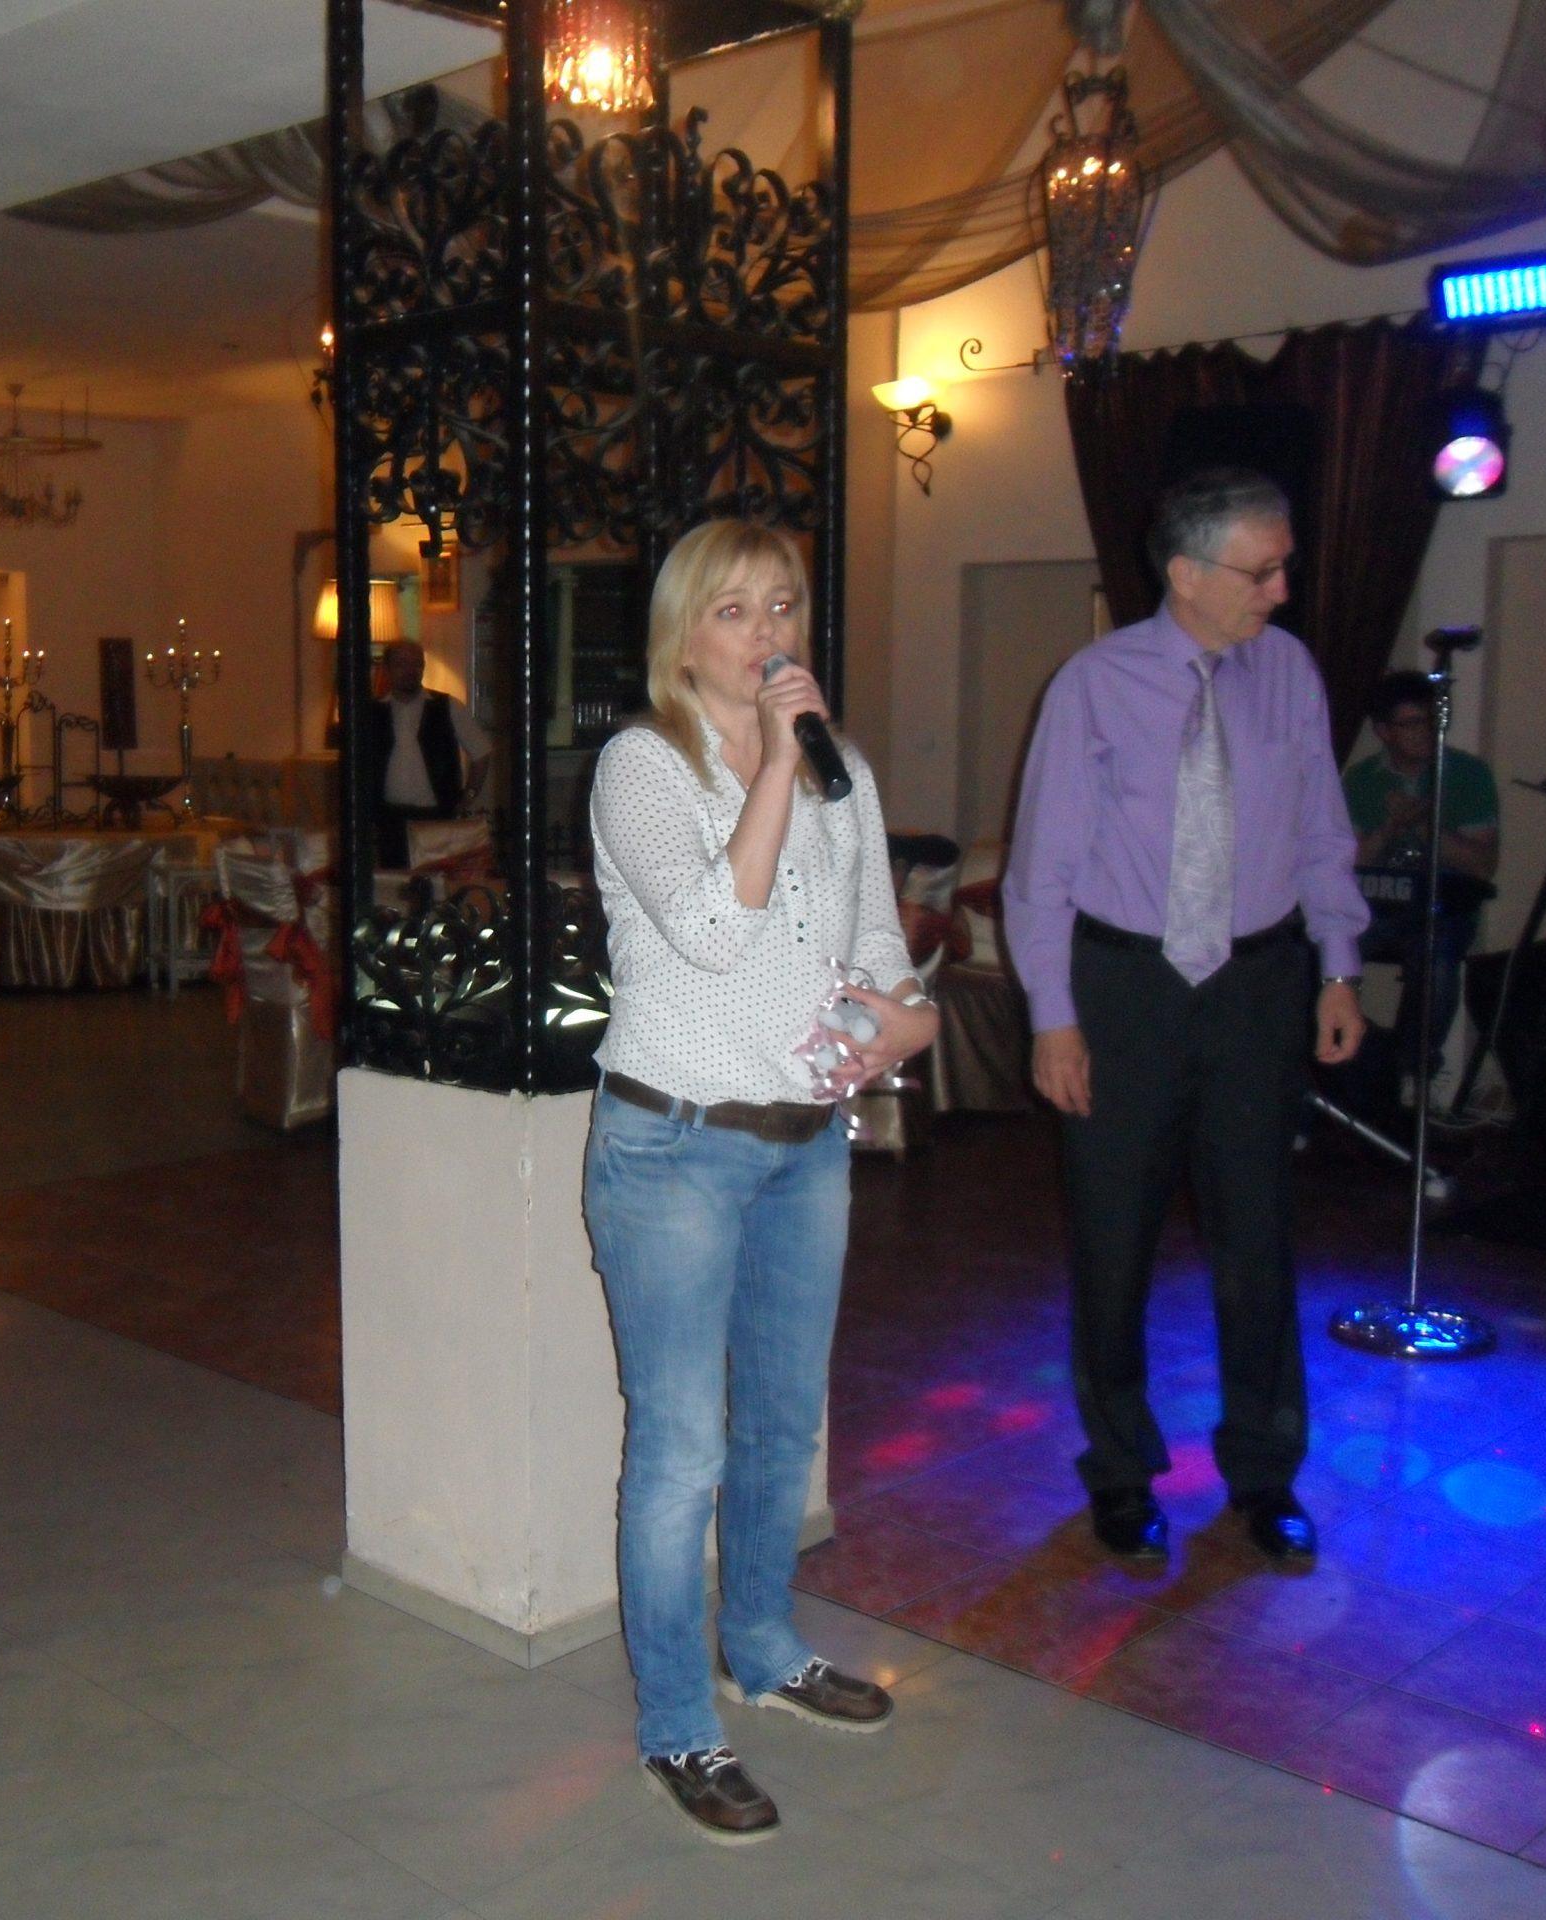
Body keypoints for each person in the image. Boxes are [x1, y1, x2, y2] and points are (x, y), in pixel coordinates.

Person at [584, 518, 937, 1845]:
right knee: (682, 1449)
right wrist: (780, 764)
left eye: (781, 605)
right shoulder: (642, 764)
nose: (766, 633)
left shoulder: (844, 773)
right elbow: (714, 935)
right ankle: (678, 1723)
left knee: (785, 1424)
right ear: (683, 636)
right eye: (733, 611)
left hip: (803, 1146)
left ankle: (765, 1647)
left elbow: (878, 942)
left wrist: (907, 1022)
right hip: (672, 1147)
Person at [1003, 468, 1368, 1571]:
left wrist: (1338, 967)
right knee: (1112, 1239)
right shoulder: (1094, 685)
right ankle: (1121, 1469)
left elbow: (1322, 833)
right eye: (1262, 571)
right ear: (1187, 574)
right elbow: (1041, 870)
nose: (1281, 590)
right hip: (1124, 991)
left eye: (1284, 567)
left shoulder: (1289, 674)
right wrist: (1053, 1018)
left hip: (1257, 986)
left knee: (1258, 1236)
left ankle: (1265, 1470)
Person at [1343, 670, 1501, 1095]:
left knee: (1437, 960)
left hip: (1442, 912)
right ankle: (1342, 1065)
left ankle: (1411, 1071)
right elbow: (1348, 863)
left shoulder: (1467, 774)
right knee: (1321, 952)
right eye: (1412, 723)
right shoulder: (1360, 780)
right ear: (1384, 731)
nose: (1425, 732)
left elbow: (1482, 865)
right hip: (1373, 910)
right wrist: (1391, 828)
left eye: (1431, 720)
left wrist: (1424, 827)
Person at [361, 639, 491, 868]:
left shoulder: (447, 706)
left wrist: (468, 796)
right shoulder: (371, 712)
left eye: (416, 664)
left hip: (436, 819)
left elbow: (481, 752)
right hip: (389, 820)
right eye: (402, 664)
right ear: (387, 669)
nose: (410, 670)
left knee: (437, 882)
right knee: (394, 881)